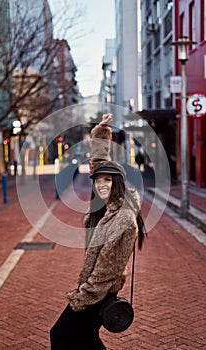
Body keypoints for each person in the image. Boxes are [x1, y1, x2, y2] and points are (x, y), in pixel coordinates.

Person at [50, 114, 146, 350]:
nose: (102, 184)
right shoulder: (108, 204)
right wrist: (102, 132)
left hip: (99, 292)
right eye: (98, 181)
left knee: (60, 335)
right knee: (86, 339)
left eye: (108, 181)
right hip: (95, 290)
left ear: (118, 183)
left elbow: (108, 268)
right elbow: (100, 163)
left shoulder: (123, 218)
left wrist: (84, 296)